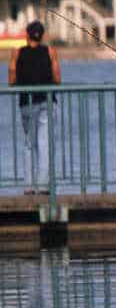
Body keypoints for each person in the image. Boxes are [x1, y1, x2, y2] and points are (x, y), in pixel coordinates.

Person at [8, 20, 60, 194]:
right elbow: (57, 78)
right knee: (45, 143)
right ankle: (44, 185)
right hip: (47, 101)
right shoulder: (50, 51)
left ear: (26, 34)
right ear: (42, 35)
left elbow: (12, 77)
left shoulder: (17, 52)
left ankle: (29, 186)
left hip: (27, 102)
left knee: (29, 144)